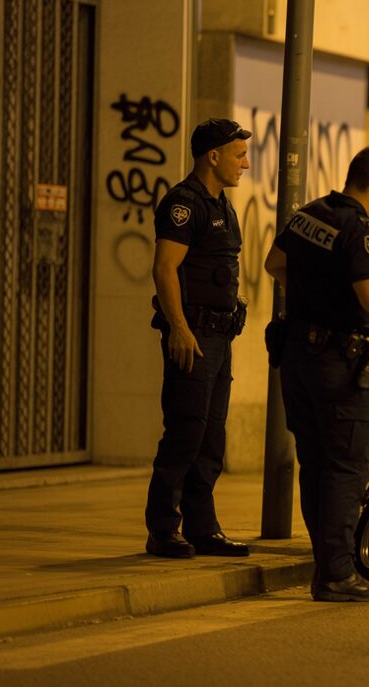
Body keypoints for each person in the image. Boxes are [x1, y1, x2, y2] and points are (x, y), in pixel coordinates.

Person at [263, 144, 369, 602]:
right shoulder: (360, 226)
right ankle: (337, 574)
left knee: (315, 464)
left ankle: (327, 566)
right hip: (336, 362)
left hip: (296, 355)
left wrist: (317, 296)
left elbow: (276, 265)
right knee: (346, 467)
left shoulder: (309, 212)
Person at [146, 118, 252, 560]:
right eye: (239, 155)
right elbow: (164, 268)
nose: (245, 163)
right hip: (193, 335)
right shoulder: (184, 204)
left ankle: (203, 528)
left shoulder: (221, 204)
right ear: (213, 156)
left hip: (218, 337)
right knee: (186, 432)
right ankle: (163, 529)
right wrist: (179, 327)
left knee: (211, 437)